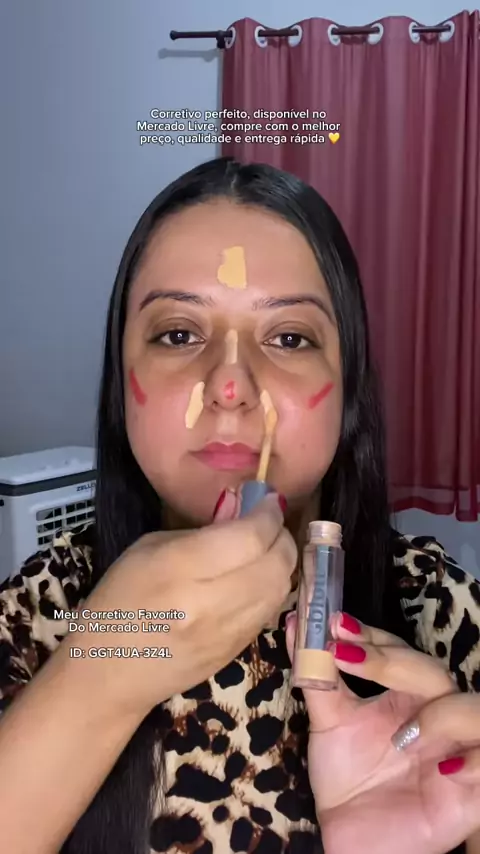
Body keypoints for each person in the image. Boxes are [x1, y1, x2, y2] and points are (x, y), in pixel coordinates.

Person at [0, 156, 479, 854]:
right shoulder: (37, 611)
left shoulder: (440, 613)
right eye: (178, 334)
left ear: (348, 392)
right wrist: (102, 666)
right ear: (120, 384)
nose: (230, 386)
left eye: (289, 338)